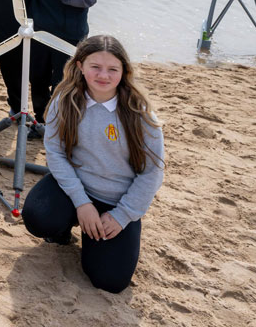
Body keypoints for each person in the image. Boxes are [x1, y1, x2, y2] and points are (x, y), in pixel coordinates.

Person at [22, 35, 164, 293]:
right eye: (95, 67)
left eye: (113, 69)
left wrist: (122, 216)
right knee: (38, 216)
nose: (104, 76)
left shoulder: (139, 112)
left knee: (110, 282)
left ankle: (95, 237)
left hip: (117, 201)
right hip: (77, 191)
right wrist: (81, 203)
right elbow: (55, 154)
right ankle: (67, 227)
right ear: (79, 66)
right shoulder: (64, 101)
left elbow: (152, 172)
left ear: (124, 71)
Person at [22, 0, 97, 136]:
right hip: (40, 33)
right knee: (37, 78)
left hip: (67, 35)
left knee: (62, 84)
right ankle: (41, 123)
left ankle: (60, 127)